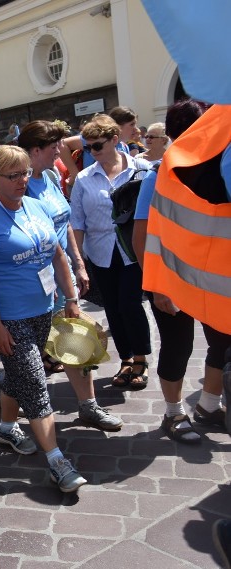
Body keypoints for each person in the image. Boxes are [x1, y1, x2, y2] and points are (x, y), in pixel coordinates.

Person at [0, 145, 88, 493]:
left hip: (44, 308)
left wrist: (70, 299)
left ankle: (7, 428)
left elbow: (57, 255)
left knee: (20, 376)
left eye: (25, 172)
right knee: (37, 385)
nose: (23, 180)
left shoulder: (37, 206)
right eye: (14, 175)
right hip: (10, 317)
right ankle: (56, 460)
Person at [132, 99, 229, 443]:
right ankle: (173, 413)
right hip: (170, 280)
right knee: (178, 346)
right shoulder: (158, 175)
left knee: (222, 341)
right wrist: (157, 286)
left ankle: (207, 404)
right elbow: (141, 236)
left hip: (207, 279)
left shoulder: (214, 169)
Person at [17, 120, 123, 431]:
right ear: (35, 150)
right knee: (32, 350)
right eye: (54, 147)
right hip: (37, 280)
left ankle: (88, 406)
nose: (60, 152)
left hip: (63, 276)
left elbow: (66, 223)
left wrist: (78, 262)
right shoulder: (19, 186)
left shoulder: (50, 176)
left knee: (74, 339)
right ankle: (15, 413)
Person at [70, 115, 153, 389]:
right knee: (114, 309)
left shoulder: (140, 168)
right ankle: (126, 359)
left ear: (115, 140)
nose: (92, 151)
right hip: (101, 252)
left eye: (97, 145)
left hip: (132, 250)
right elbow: (78, 221)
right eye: (88, 147)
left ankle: (140, 357)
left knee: (130, 304)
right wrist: (78, 260)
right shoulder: (84, 178)